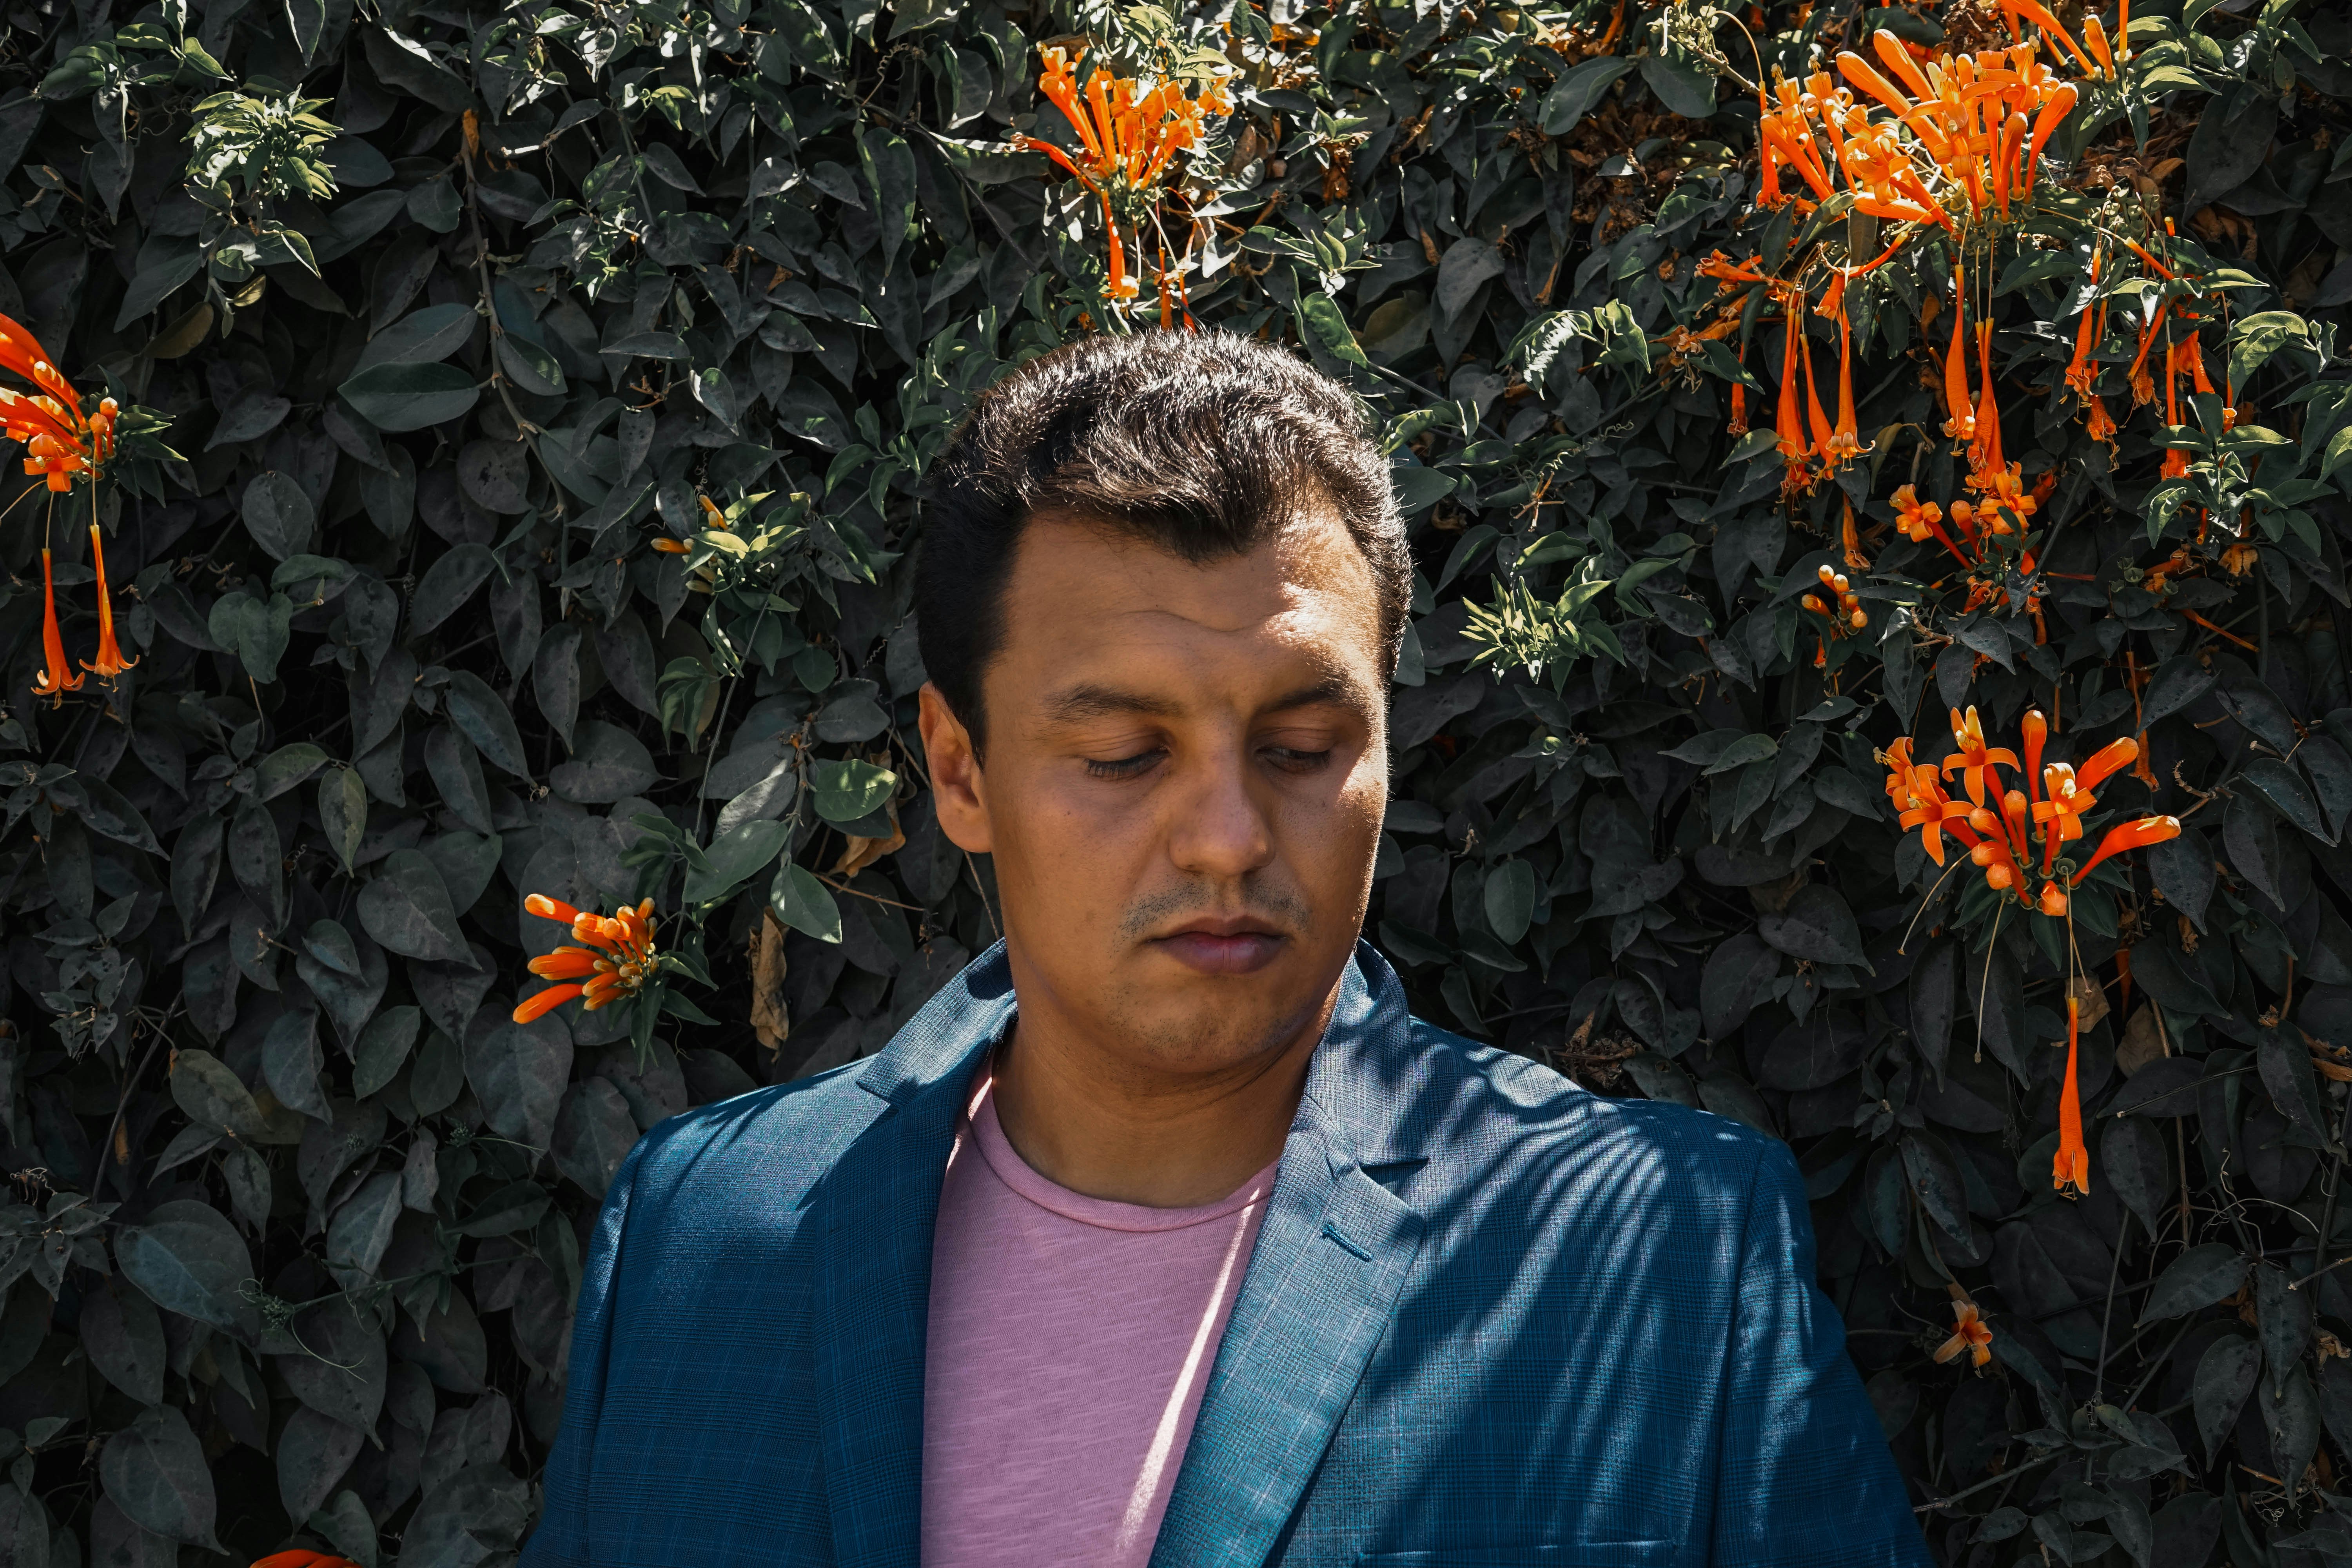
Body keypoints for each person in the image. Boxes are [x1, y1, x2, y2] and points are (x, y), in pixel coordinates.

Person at [519, 330, 1931, 1567]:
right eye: (1126, 754)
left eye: (1304, 748)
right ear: (961, 773)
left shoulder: (1658, 1244)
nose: (1227, 837)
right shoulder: (702, 1235)